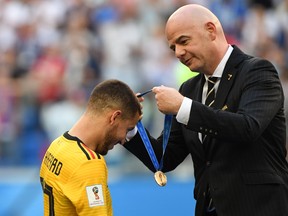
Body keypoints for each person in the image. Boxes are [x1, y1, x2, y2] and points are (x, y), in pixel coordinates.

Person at [124, 4, 288, 216]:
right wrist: (131, 127)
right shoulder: (189, 89)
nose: (179, 53)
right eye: (173, 48)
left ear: (211, 30)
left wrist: (183, 107)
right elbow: (166, 158)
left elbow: (248, 127)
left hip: (259, 208)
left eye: (183, 42)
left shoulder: (257, 71)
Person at [39, 79, 142, 216]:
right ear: (114, 117)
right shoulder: (88, 163)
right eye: (128, 129)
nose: (124, 138)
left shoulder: (57, 145)